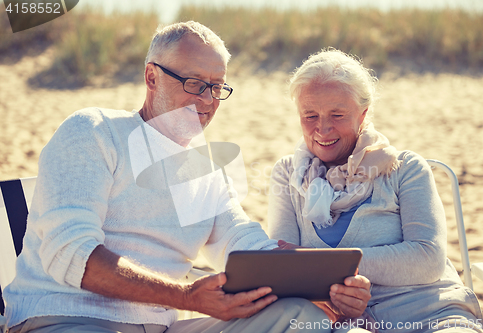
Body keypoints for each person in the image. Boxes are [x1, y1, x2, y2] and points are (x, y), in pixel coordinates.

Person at [3, 22, 370, 333]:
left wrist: (316, 279)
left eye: (216, 87)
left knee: (301, 318)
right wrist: (185, 297)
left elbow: (239, 239)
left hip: (161, 327)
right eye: (194, 83)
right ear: (152, 77)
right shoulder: (94, 131)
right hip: (67, 318)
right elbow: (69, 253)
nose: (208, 100)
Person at [268, 49, 483, 333]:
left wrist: (325, 266)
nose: (322, 128)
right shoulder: (287, 174)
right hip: (343, 323)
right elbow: (283, 268)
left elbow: (428, 258)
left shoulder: (405, 168)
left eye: (337, 114)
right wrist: (329, 291)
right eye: (310, 115)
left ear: (363, 114)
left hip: (430, 313)